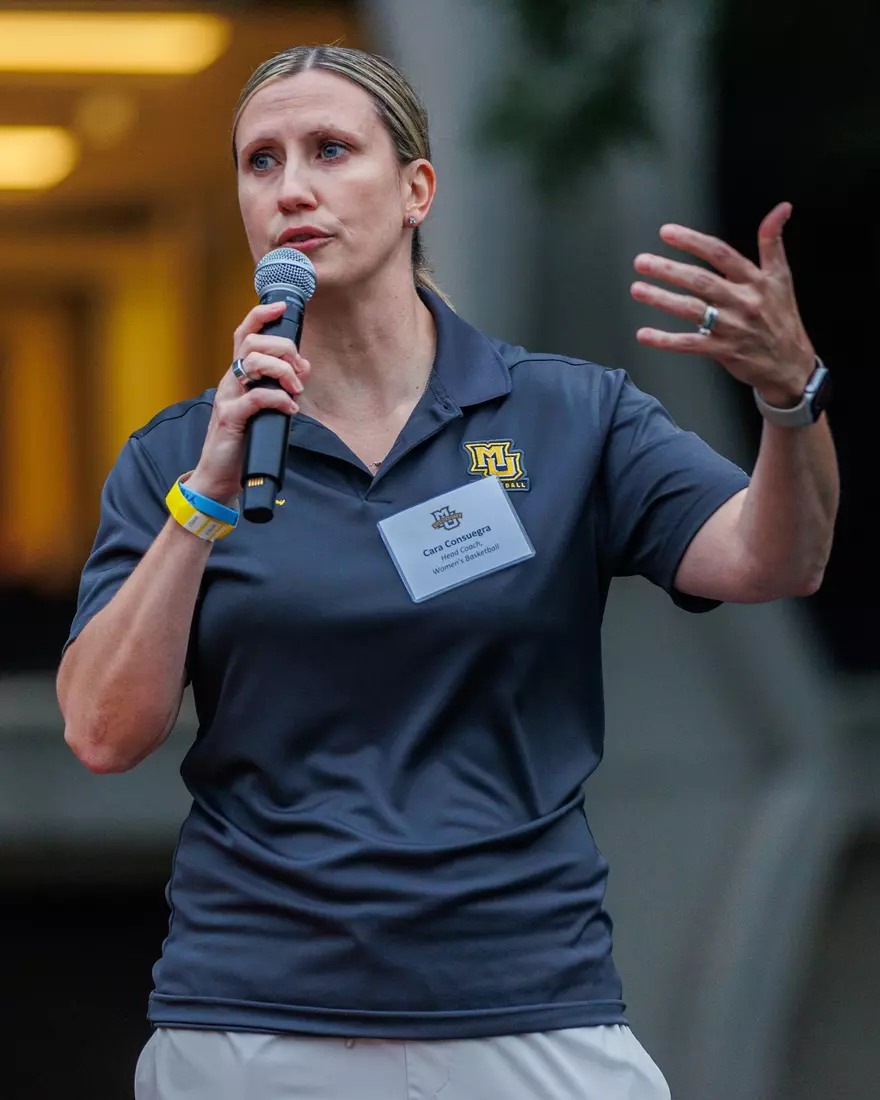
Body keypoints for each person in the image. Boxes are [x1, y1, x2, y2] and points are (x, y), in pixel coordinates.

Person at [57, 44, 838, 1100]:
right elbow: (104, 732)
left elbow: (774, 558)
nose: (292, 187)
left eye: (331, 150)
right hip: (253, 1015)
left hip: (528, 1000)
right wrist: (203, 501)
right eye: (261, 161)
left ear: (417, 187)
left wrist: (791, 402)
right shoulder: (176, 455)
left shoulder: (571, 412)